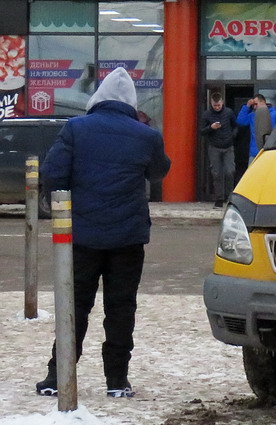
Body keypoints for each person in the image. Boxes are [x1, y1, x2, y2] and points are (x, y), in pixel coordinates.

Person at [36, 67, 171, 399]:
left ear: (98, 98)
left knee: (75, 305)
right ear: (130, 102)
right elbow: (159, 172)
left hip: (82, 236)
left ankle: (58, 375)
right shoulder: (146, 135)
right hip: (128, 237)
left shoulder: (76, 128)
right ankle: (117, 380)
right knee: (121, 307)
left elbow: (53, 174)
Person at [199, 93, 237, 208]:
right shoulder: (206, 115)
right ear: (211, 104)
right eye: (215, 105)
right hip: (214, 147)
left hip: (228, 146)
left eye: (219, 105)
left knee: (230, 171)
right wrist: (211, 128)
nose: (217, 107)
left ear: (222, 103)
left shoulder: (229, 112)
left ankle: (229, 196)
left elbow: (235, 126)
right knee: (216, 173)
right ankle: (219, 198)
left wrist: (232, 136)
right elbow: (201, 131)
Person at [236, 93, 276, 158]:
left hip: (271, 150)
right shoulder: (253, 115)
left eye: (256, 104)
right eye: (253, 105)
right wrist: (247, 106)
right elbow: (241, 121)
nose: (254, 107)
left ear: (263, 102)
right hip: (255, 152)